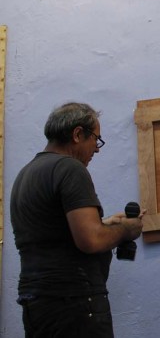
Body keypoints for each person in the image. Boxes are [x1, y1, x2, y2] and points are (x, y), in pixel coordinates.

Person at [10, 102, 145, 338]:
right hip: (75, 305)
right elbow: (90, 240)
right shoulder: (70, 168)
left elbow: (58, 235)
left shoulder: (26, 173)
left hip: (38, 305)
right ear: (77, 134)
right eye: (96, 139)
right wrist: (126, 230)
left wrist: (105, 224)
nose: (97, 149)